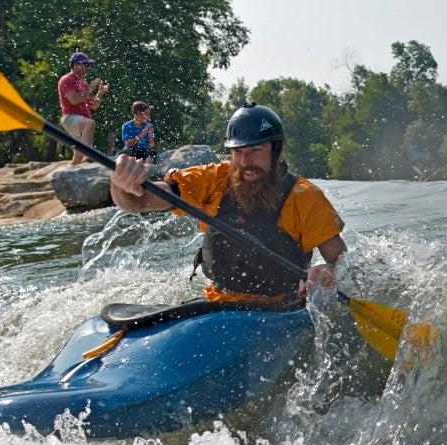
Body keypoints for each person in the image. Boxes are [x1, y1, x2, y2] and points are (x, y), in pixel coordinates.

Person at [109, 103, 346, 304]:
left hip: (280, 307)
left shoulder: (305, 196)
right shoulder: (215, 179)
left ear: (277, 150)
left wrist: (326, 271)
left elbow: (345, 265)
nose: (245, 162)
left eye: (255, 150)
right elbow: (139, 202)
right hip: (218, 303)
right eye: (237, 151)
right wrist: (121, 184)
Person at [58, 52, 108, 165]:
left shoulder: (83, 84)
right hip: (70, 118)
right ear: (75, 65)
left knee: (77, 158)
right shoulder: (66, 79)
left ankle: (71, 172)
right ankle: (89, 154)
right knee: (90, 123)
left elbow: (94, 105)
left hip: (79, 122)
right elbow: (74, 100)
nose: (88, 67)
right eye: (86, 64)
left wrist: (100, 92)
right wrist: (91, 88)